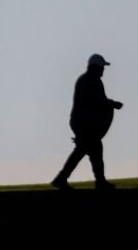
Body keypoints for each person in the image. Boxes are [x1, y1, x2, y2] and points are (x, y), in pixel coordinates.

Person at [51, 54, 123, 191]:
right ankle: (96, 181)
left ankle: (63, 179)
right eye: (102, 67)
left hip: (81, 122)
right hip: (85, 123)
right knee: (91, 149)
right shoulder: (92, 81)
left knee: (85, 150)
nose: (103, 70)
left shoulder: (86, 80)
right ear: (96, 67)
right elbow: (98, 100)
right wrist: (113, 104)